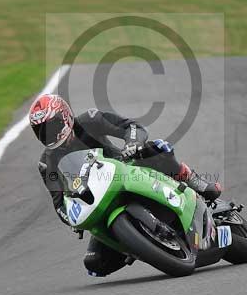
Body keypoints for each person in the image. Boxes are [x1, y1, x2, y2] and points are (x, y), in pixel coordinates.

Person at [29, 94, 222, 277]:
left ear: (65, 116)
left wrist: (132, 143)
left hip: (125, 169)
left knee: (158, 148)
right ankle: (140, 246)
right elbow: (59, 204)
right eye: (41, 131)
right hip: (98, 201)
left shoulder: (90, 120)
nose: (49, 134)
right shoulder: (47, 164)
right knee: (95, 264)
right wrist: (72, 218)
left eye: (52, 126)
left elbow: (131, 127)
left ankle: (195, 182)